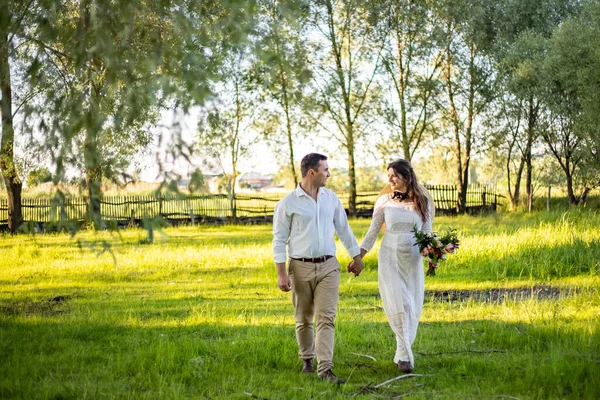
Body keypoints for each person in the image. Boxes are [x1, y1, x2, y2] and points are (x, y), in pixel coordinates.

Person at [273, 153, 364, 384]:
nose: (329, 174)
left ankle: (325, 369)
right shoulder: (287, 203)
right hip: (300, 267)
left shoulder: (331, 199)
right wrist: (281, 273)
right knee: (303, 317)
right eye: (325, 169)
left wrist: (357, 256)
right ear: (312, 173)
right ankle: (307, 359)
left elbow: (344, 229)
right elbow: (279, 240)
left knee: (327, 317)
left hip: (328, 267)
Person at [348, 159, 434, 373]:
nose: (390, 179)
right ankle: (405, 358)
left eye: (394, 175)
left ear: (406, 177)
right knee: (398, 304)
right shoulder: (384, 201)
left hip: (412, 259)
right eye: (389, 175)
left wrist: (434, 253)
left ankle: (402, 352)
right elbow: (372, 232)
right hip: (389, 257)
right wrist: (359, 257)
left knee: (411, 306)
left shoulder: (423, 201)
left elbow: (427, 233)